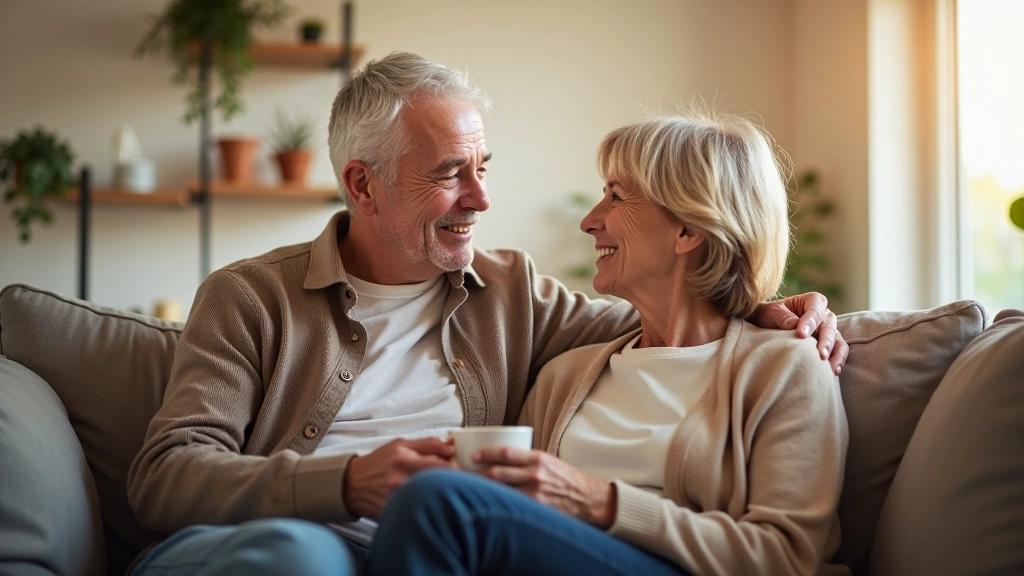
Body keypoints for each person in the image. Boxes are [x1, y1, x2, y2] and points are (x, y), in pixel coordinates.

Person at [126, 52, 848, 576]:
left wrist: (769, 305)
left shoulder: (514, 295)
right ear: (362, 185)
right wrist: (344, 483)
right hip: (280, 544)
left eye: (483, 167)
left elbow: (676, 319)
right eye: (449, 174)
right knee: (302, 560)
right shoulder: (250, 298)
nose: (481, 198)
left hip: (437, 547)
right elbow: (164, 477)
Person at [366, 112, 850, 576]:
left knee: (434, 500)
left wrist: (601, 502)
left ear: (688, 229)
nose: (590, 221)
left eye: (616, 197)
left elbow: (788, 559)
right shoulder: (565, 377)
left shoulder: (786, 368)